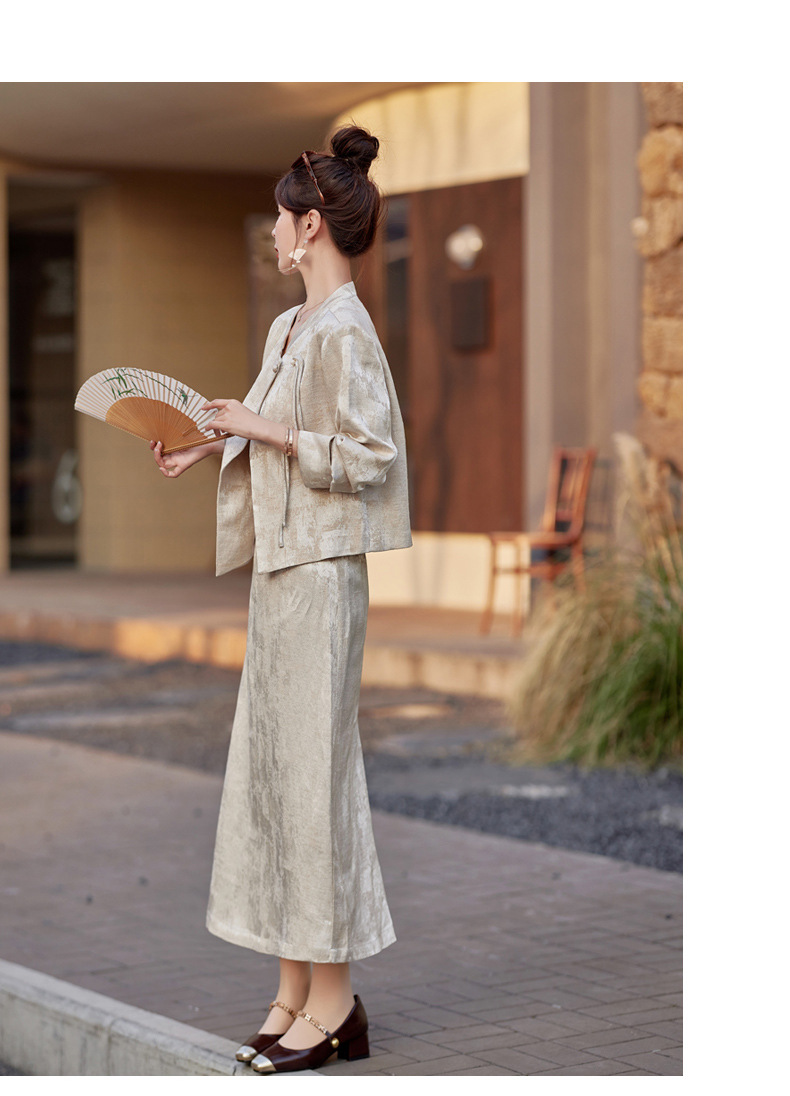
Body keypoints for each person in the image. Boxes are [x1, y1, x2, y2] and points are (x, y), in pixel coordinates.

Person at [150, 125, 411, 1075]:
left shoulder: (347, 330)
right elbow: (268, 425)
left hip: (323, 580)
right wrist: (205, 444)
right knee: (275, 777)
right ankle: (293, 992)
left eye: (277, 218)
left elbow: (372, 455)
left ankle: (336, 1006)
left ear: (310, 227)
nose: (270, 231)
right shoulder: (290, 327)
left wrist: (264, 429)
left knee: (315, 782)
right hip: (281, 576)